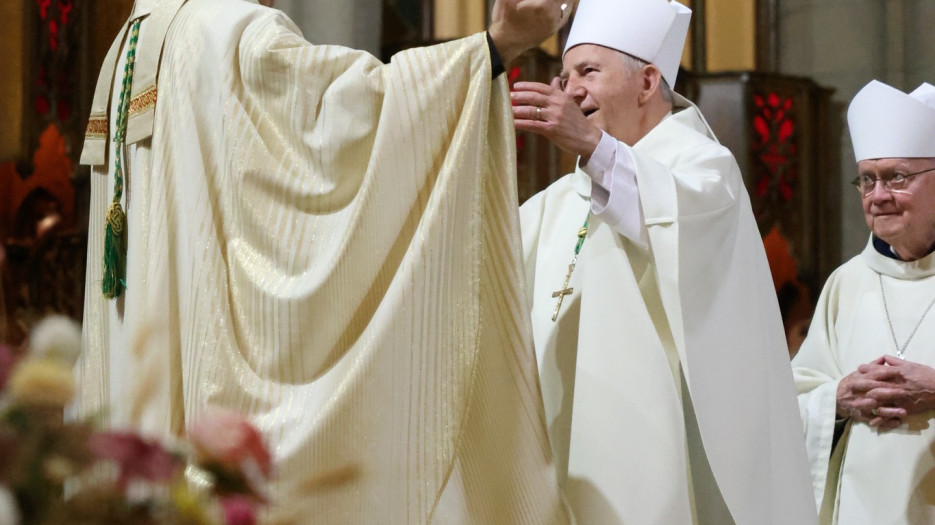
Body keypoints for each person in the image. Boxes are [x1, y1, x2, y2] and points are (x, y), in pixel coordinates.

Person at [74, 0, 573, 522]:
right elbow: (354, 114)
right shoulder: (234, 32)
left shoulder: (129, 40)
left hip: (141, 374)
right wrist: (495, 46)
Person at [511, 0, 818, 522]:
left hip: (655, 450)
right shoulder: (553, 202)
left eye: (588, 71)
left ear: (648, 82)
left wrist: (591, 145)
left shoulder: (704, 169)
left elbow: (667, 218)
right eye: (564, 78)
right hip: (556, 449)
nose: (571, 90)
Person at [793, 80, 935, 524]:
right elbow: (793, 397)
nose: (878, 196)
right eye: (868, 179)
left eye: (897, 177)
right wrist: (836, 398)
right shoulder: (846, 283)